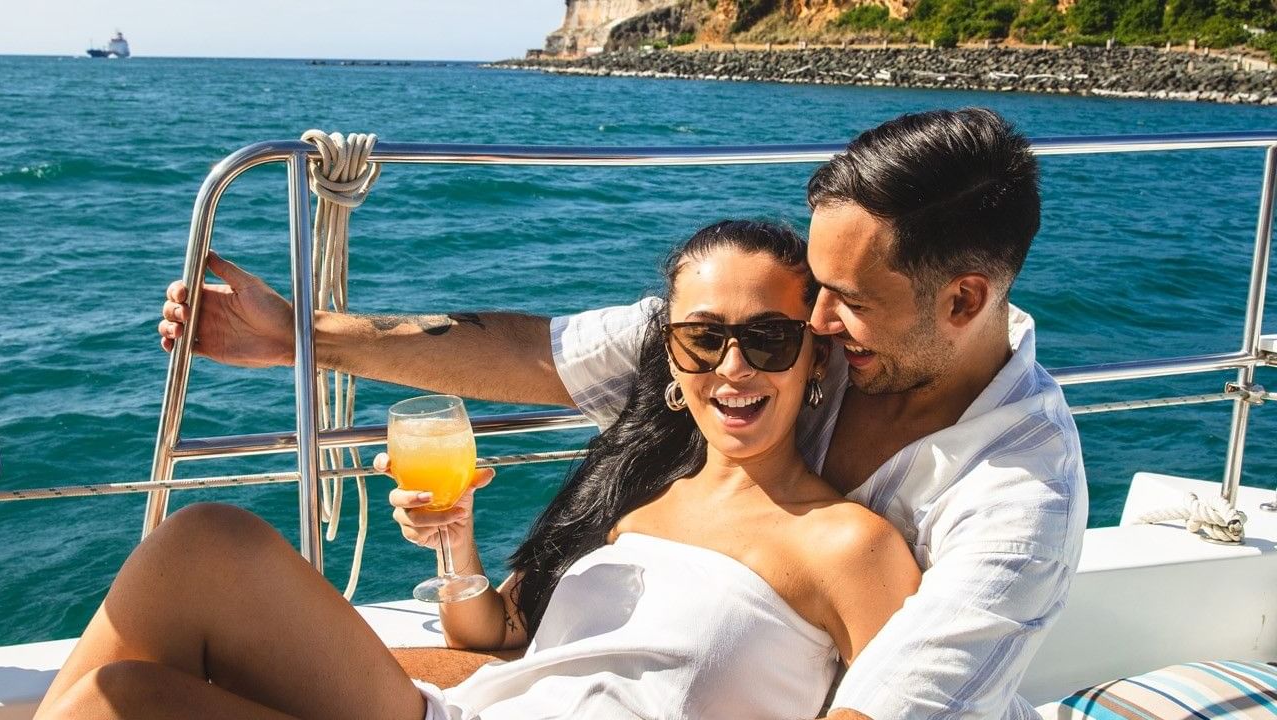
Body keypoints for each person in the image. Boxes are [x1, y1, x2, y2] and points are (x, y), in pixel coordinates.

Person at [156, 108, 1088, 719]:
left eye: (841, 302)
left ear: (963, 300)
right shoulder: (785, 341)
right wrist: (297, 335)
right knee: (170, 607)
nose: (811, 322)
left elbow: (899, 705)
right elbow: (538, 352)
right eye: (814, 291)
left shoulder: (1020, 504)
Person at [37, 221, 919, 719]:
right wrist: (457, 547)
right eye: (703, 338)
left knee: (108, 706)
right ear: (671, 355)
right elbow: (502, 637)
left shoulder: (847, 546)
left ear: (815, 357)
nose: (733, 367)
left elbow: (915, 700)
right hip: (470, 711)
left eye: (768, 339)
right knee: (200, 548)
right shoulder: (642, 490)